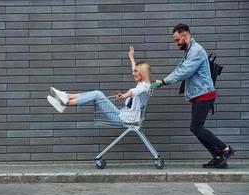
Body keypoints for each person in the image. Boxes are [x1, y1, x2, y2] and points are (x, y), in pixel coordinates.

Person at [151, 23, 235, 168]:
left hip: (205, 94)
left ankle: (225, 149)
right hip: (199, 94)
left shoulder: (196, 50)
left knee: (196, 127)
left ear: (186, 36)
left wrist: (164, 81)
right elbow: (180, 68)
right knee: (196, 128)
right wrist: (162, 80)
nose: (176, 43)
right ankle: (218, 156)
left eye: (177, 40)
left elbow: (185, 71)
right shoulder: (189, 51)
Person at [47, 47, 152, 125]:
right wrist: (132, 59)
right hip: (122, 115)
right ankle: (66, 97)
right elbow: (135, 70)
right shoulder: (143, 84)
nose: (133, 73)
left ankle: (65, 101)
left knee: (97, 94)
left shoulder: (144, 87)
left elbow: (133, 91)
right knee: (96, 94)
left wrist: (124, 95)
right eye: (134, 71)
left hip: (122, 119)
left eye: (136, 72)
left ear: (142, 73)